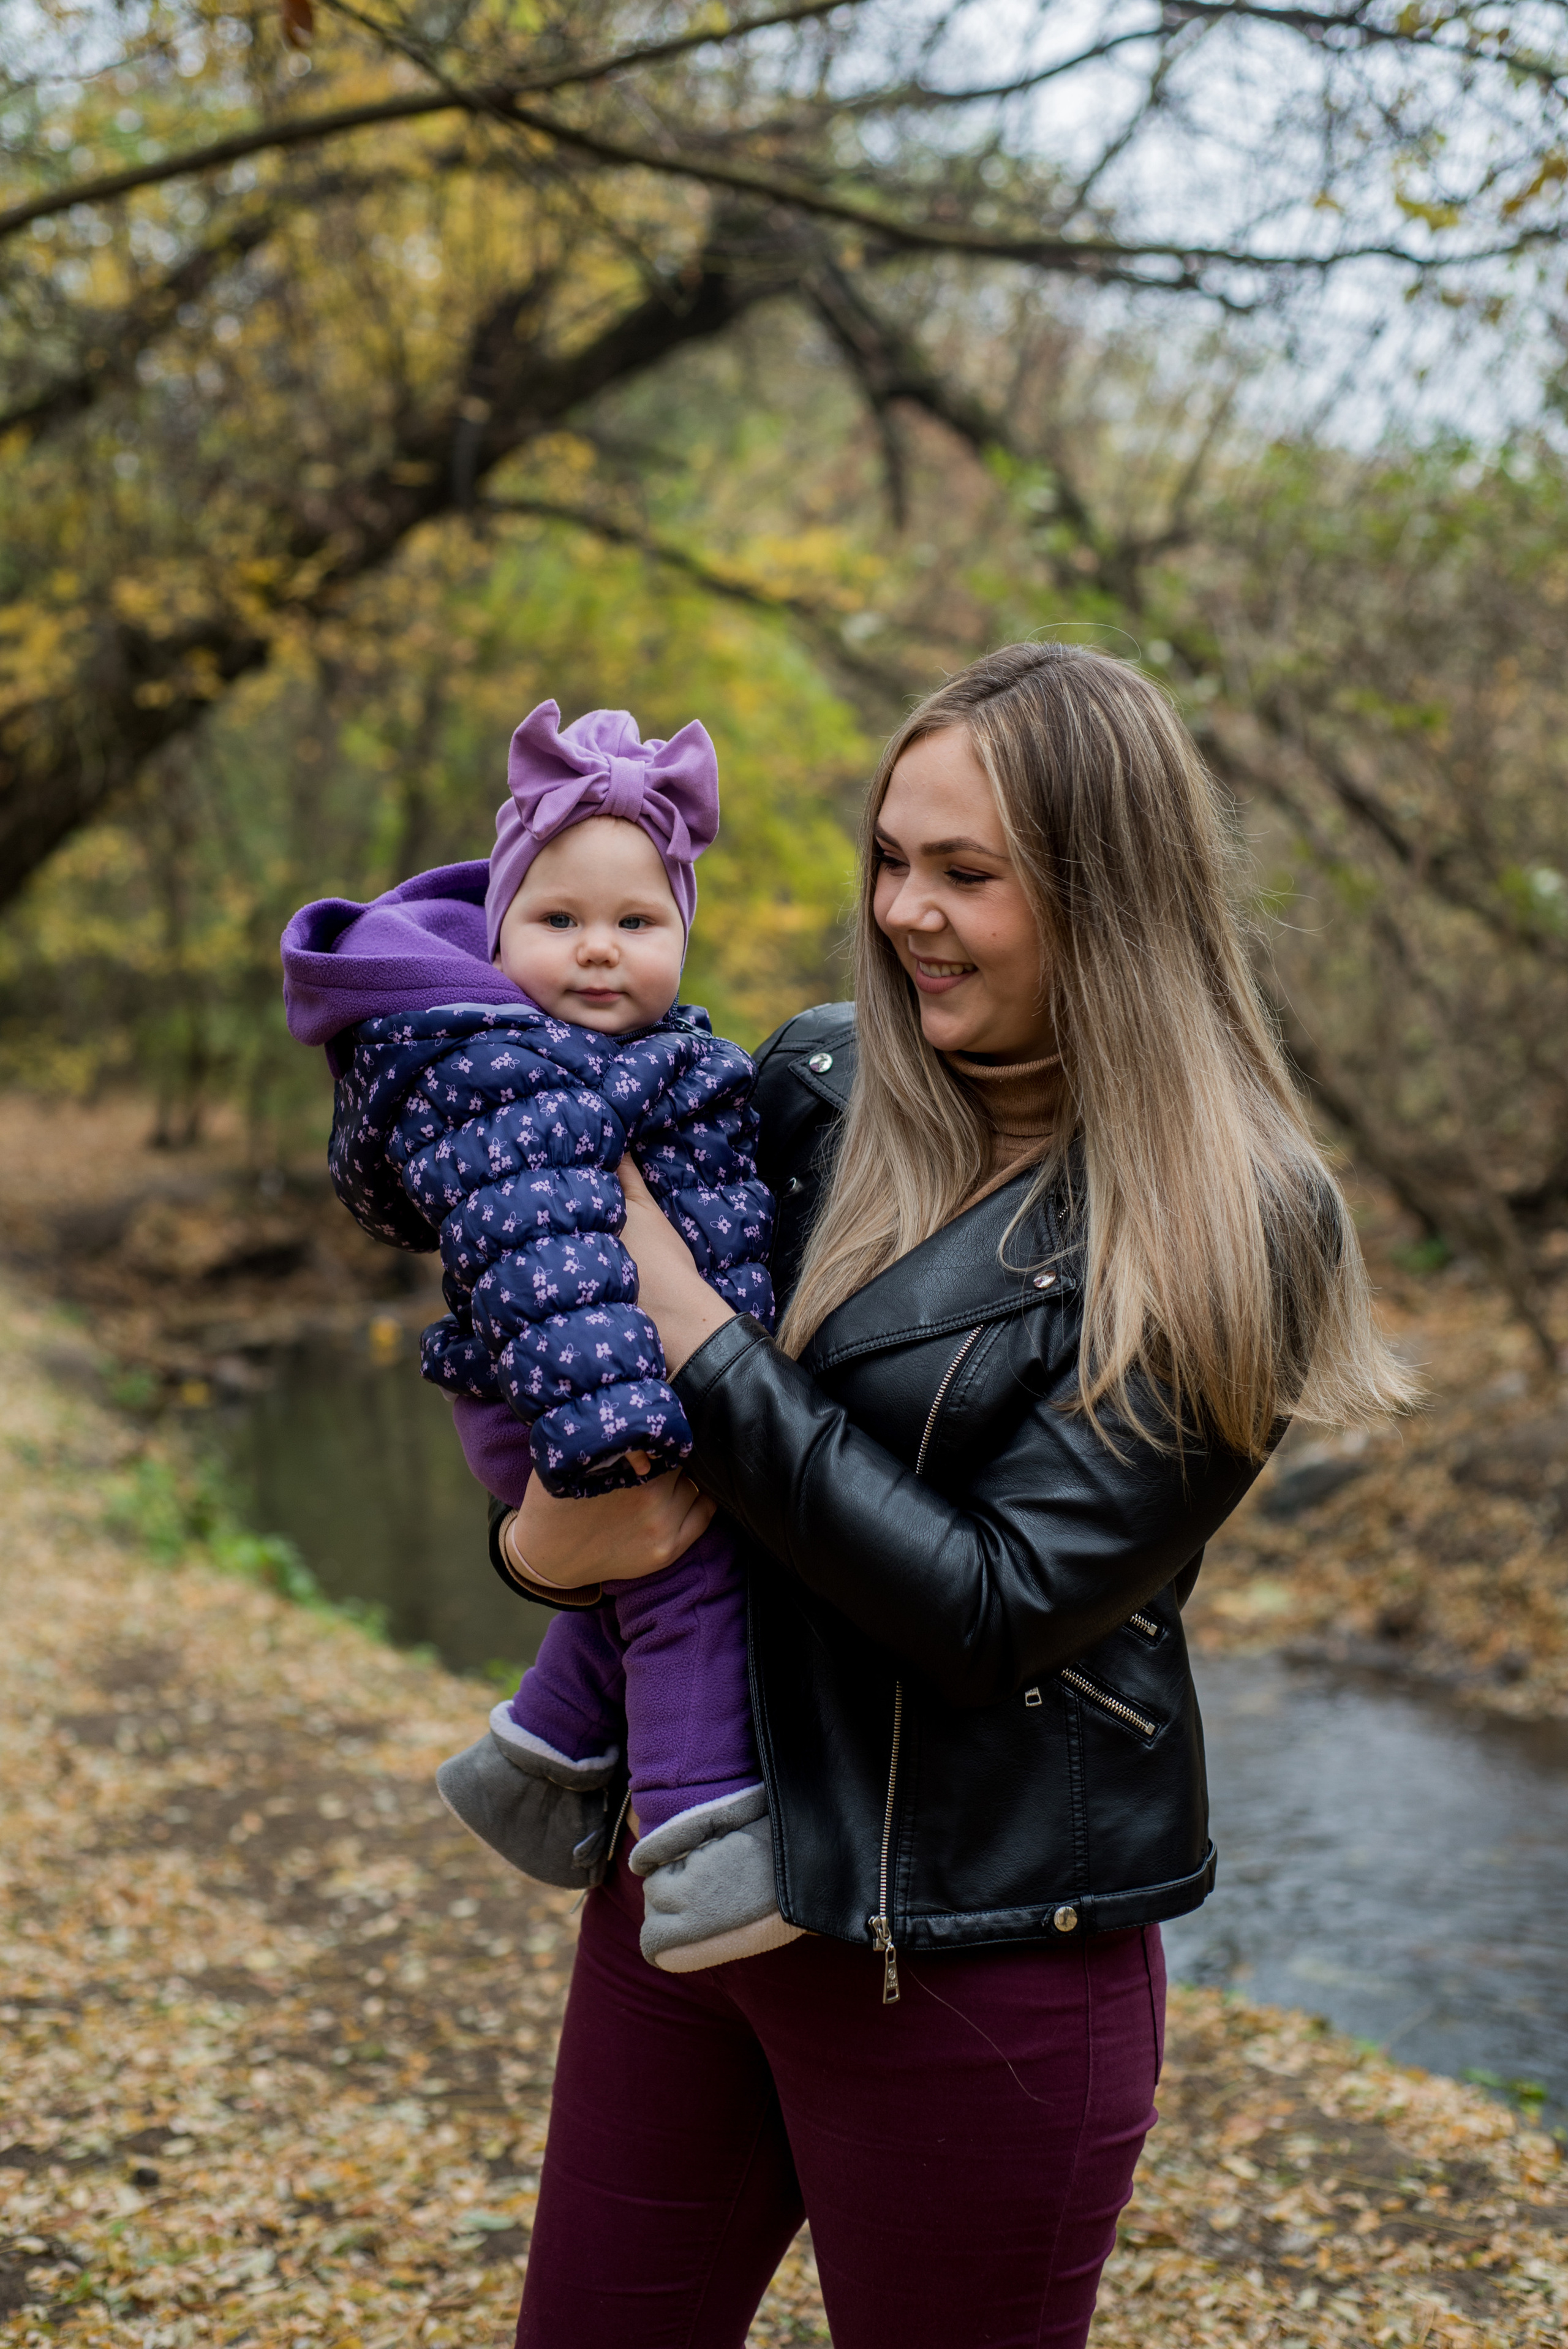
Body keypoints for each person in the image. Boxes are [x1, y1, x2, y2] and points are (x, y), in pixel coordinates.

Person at [471, 642, 1414, 2349]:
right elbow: (580, 1396)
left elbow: (992, 1609)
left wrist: (699, 1340)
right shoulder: (816, 1083)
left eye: (966, 874)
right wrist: (538, 1543)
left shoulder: (1236, 1218)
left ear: (1111, 896)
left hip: (972, 1961)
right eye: (891, 860)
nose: (906, 912)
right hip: (690, 1890)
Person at [281, 700, 799, 1973]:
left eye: (638, 923)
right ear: (500, 928)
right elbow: (542, 1251)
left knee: (647, 1575)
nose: (598, 952)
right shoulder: (496, 1065)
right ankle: (705, 1852)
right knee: (687, 1590)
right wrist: (619, 1423)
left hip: (614, 1365)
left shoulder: (653, 1055)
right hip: (563, 1383)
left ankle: (540, 1765)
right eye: (558, 921)